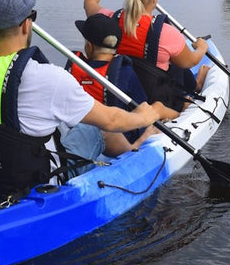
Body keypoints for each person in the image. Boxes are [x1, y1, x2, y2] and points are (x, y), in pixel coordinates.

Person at [0, 0, 160, 200]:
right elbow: (112, 120)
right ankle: (135, 149)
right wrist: (144, 116)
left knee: (64, 124)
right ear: (26, 25)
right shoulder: (48, 77)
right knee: (96, 128)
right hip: (38, 179)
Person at [83, 0, 210, 111]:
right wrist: (201, 48)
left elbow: (89, 2)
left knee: (174, 58)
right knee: (176, 62)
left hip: (121, 93)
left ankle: (195, 85)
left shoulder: (108, 19)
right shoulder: (167, 33)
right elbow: (189, 62)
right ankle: (192, 90)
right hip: (155, 100)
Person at [66, 14, 180, 158]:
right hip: (121, 134)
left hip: (81, 130)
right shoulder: (124, 71)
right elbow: (141, 105)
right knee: (155, 106)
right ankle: (182, 116)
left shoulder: (72, 70)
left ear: (89, 45)